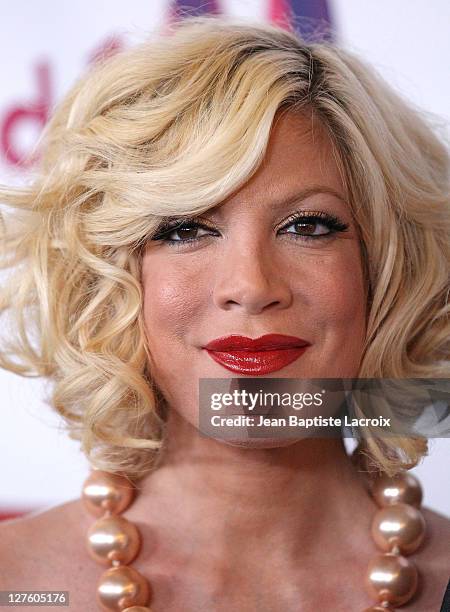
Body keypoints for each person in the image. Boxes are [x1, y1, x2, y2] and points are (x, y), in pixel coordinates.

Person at [0, 15, 449, 612]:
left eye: (308, 226)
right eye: (186, 230)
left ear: (386, 268)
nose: (250, 286)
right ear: (111, 274)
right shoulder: (19, 585)